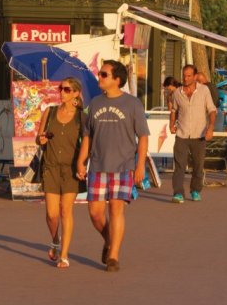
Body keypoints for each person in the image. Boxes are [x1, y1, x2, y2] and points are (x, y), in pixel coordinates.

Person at [76, 60, 149, 273]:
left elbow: (143, 136)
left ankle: (114, 256)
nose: (100, 77)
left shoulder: (133, 104)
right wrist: (82, 161)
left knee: (116, 209)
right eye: (100, 74)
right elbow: (87, 136)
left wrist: (140, 165)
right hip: (97, 165)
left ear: (117, 80)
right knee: (95, 213)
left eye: (104, 74)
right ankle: (109, 240)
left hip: (123, 165)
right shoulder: (95, 103)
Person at [36, 77, 85, 269]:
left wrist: (83, 164)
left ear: (75, 93)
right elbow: (38, 137)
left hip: (71, 169)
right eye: (60, 89)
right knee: (51, 214)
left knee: (66, 210)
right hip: (51, 166)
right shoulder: (50, 112)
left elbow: (87, 143)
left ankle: (64, 255)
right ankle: (55, 240)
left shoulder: (82, 117)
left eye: (66, 89)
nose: (61, 92)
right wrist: (40, 140)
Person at [169, 64, 216, 203]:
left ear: (195, 76)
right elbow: (174, 111)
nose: (185, 78)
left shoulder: (204, 90)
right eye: (184, 75)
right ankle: (178, 193)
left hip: (199, 134)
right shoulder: (177, 93)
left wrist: (211, 127)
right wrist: (172, 124)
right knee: (179, 165)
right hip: (182, 134)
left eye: (189, 75)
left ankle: (195, 190)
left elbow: (212, 110)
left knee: (198, 166)